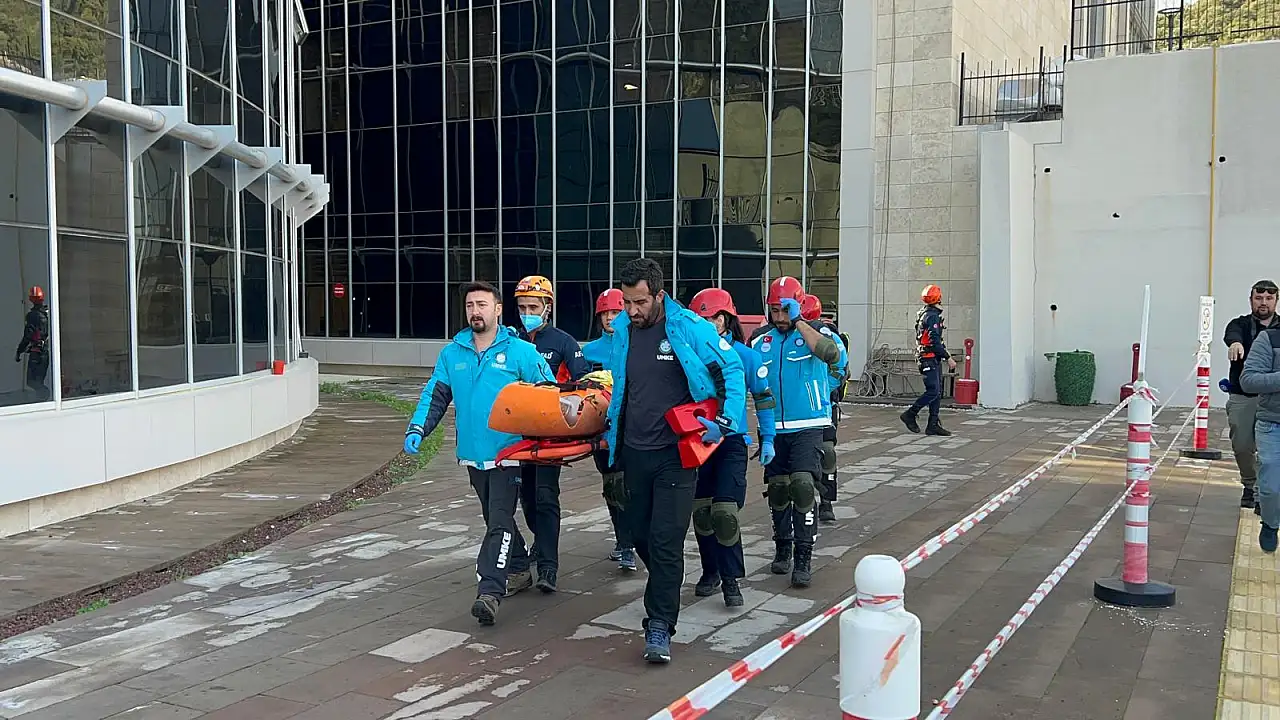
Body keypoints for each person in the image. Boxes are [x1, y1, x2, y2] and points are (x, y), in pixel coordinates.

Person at [601, 258, 746, 663]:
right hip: (633, 452)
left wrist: (726, 421)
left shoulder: (688, 327)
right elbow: (618, 382)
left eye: (640, 302)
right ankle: (668, 580)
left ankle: (659, 625)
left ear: (660, 295)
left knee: (666, 541)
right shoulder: (624, 331)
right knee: (638, 534)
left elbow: (731, 369)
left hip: (676, 456)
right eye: (627, 302)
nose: (632, 311)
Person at [403, 281, 556, 626]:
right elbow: (435, 396)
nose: (476, 311)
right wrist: (417, 428)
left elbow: (549, 395)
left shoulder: (521, 352)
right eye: (470, 305)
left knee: (499, 520)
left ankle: (490, 591)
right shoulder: (452, 353)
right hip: (472, 454)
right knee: (494, 517)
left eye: (482, 305)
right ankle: (519, 566)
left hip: (509, 454)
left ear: (498, 309)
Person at [750, 276, 843, 589]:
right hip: (772, 426)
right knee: (778, 489)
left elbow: (832, 357)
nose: (780, 317)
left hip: (808, 425)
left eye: (785, 310)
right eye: (775, 310)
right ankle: (783, 545)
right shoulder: (760, 340)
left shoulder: (817, 333)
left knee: (802, 486)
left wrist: (799, 321)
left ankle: (804, 556)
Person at [688, 288, 776, 607]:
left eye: (714, 317)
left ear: (727, 319)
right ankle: (710, 571)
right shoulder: (688, 357)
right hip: (697, 441)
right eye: (702, 319)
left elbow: (763, 398)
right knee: (702, 513)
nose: (709, 324)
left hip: (731, 442)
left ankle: (730, 579)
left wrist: (768, 438)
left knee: (724, 513)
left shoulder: (746, 356)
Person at [507, 275, 591, 595]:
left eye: (533, 307)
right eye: (522, 307)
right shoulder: (510, 341)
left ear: (547, 308)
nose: (527, 313)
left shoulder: (563, 342)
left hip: (549, 435)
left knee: (545, 497)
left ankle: (548, 567)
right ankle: (540, 543)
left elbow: (582, 383)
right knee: (527, 500)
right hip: (516, 433)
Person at [583, 288, 638, 572]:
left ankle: (631, 542)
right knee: (611, 487)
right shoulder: (588, 351)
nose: (610, 318)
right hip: (601, 431)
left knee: (628, 486)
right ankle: (624, 541)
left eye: (615, 312)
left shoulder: (637, 344)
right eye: (605, 313)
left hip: (633, 429)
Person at [1224, 279, 1277, 514]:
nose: (1263, 302)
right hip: (1244, 395)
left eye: (1269, 298)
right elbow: (1232, 333)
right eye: (1258, 298)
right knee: (1242, 444)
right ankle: (1250, 483)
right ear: (1251, 300)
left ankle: (1262, 492)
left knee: (1270, 452)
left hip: (1274, 398)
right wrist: (1235, 343)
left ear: (1276, 301)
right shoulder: (1240, 324)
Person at [800, 293, 849, 523]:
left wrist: (820, 390)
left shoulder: (830, 337)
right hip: (796, 410)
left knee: (826, 451)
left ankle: (826, 501)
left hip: (825, 406)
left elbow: (841, 369)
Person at [1239, 323, 1280, 553]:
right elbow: (1249, 380)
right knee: (1271, 488)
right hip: (1273, 423)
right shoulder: (1270, 339)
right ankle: (1271, 523)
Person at [900, 284, 956, 437]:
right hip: (928, 358)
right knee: (933, 391)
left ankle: (933, 424)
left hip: (929, 357)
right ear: (939, 298)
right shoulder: (932, 316)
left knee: (936, 392)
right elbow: (934, 341)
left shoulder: (923, 313)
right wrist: (948, 357)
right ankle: (910, 414)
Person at [13, 286, 51, 401]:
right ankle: (43, 399)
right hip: (45, 352)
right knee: (38, 381)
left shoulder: (33, 315)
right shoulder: (47, 314)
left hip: (36, 353)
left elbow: (28, 335)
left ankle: (45, 397)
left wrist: (19, 350)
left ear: (30, 299)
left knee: (32, 381)